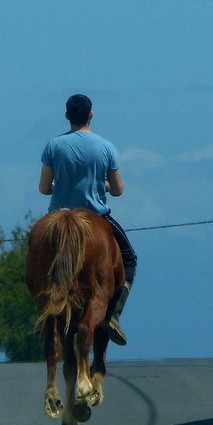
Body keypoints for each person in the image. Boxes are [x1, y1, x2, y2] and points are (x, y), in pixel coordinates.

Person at [38, 94, 137, 345]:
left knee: (37, 260)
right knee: (129, 259)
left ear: (66, 116)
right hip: (95, 215)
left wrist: (59, 187)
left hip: (59, 216)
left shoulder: (53, 146)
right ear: (91, 114)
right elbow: (118, 190)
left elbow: (43, 188)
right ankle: (113, 316)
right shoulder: (106, 147)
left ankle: (44, 311)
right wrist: (103, 185)